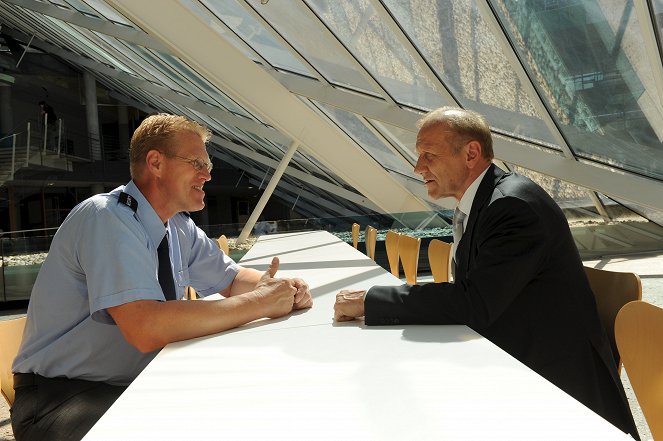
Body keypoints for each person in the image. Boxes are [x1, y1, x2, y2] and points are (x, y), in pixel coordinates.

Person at [334, 107, 639, 439]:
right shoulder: (486, 202)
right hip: (517, 355)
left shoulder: (512, 208)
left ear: (471, 153)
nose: (418, 167)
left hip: (558, 390)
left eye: (428, 155)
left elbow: (474, 303)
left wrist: (372, 301)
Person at [11, 114, 313, 441]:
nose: (208, 175)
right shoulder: (107, 218)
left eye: (208, 165)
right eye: (197, 163)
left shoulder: (177, 226)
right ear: (155, 162)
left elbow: (231, 278)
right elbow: (146, 327)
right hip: (59, 400)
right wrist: (259, 302)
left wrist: (280, 289)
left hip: (127, 385)